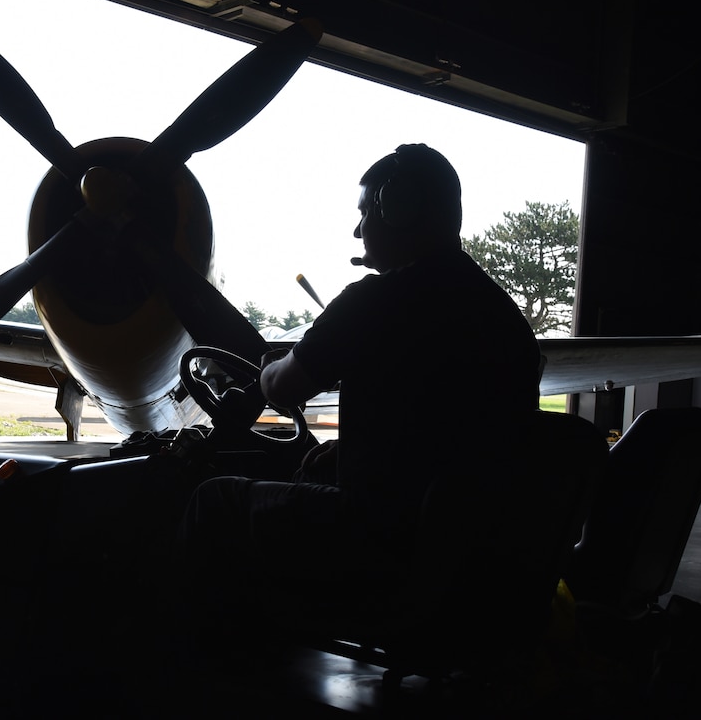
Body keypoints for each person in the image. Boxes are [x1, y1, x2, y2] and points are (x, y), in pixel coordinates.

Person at [178, 144, 542, 639]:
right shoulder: (501, 314)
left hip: (381, 542)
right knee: (318, 461)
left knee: (213, 500)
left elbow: (284, 386)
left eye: (365, 213)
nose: (357, 231)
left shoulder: (375, 301)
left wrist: (266, 369)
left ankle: (220, 665)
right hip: (478, 554)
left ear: (399, 210)